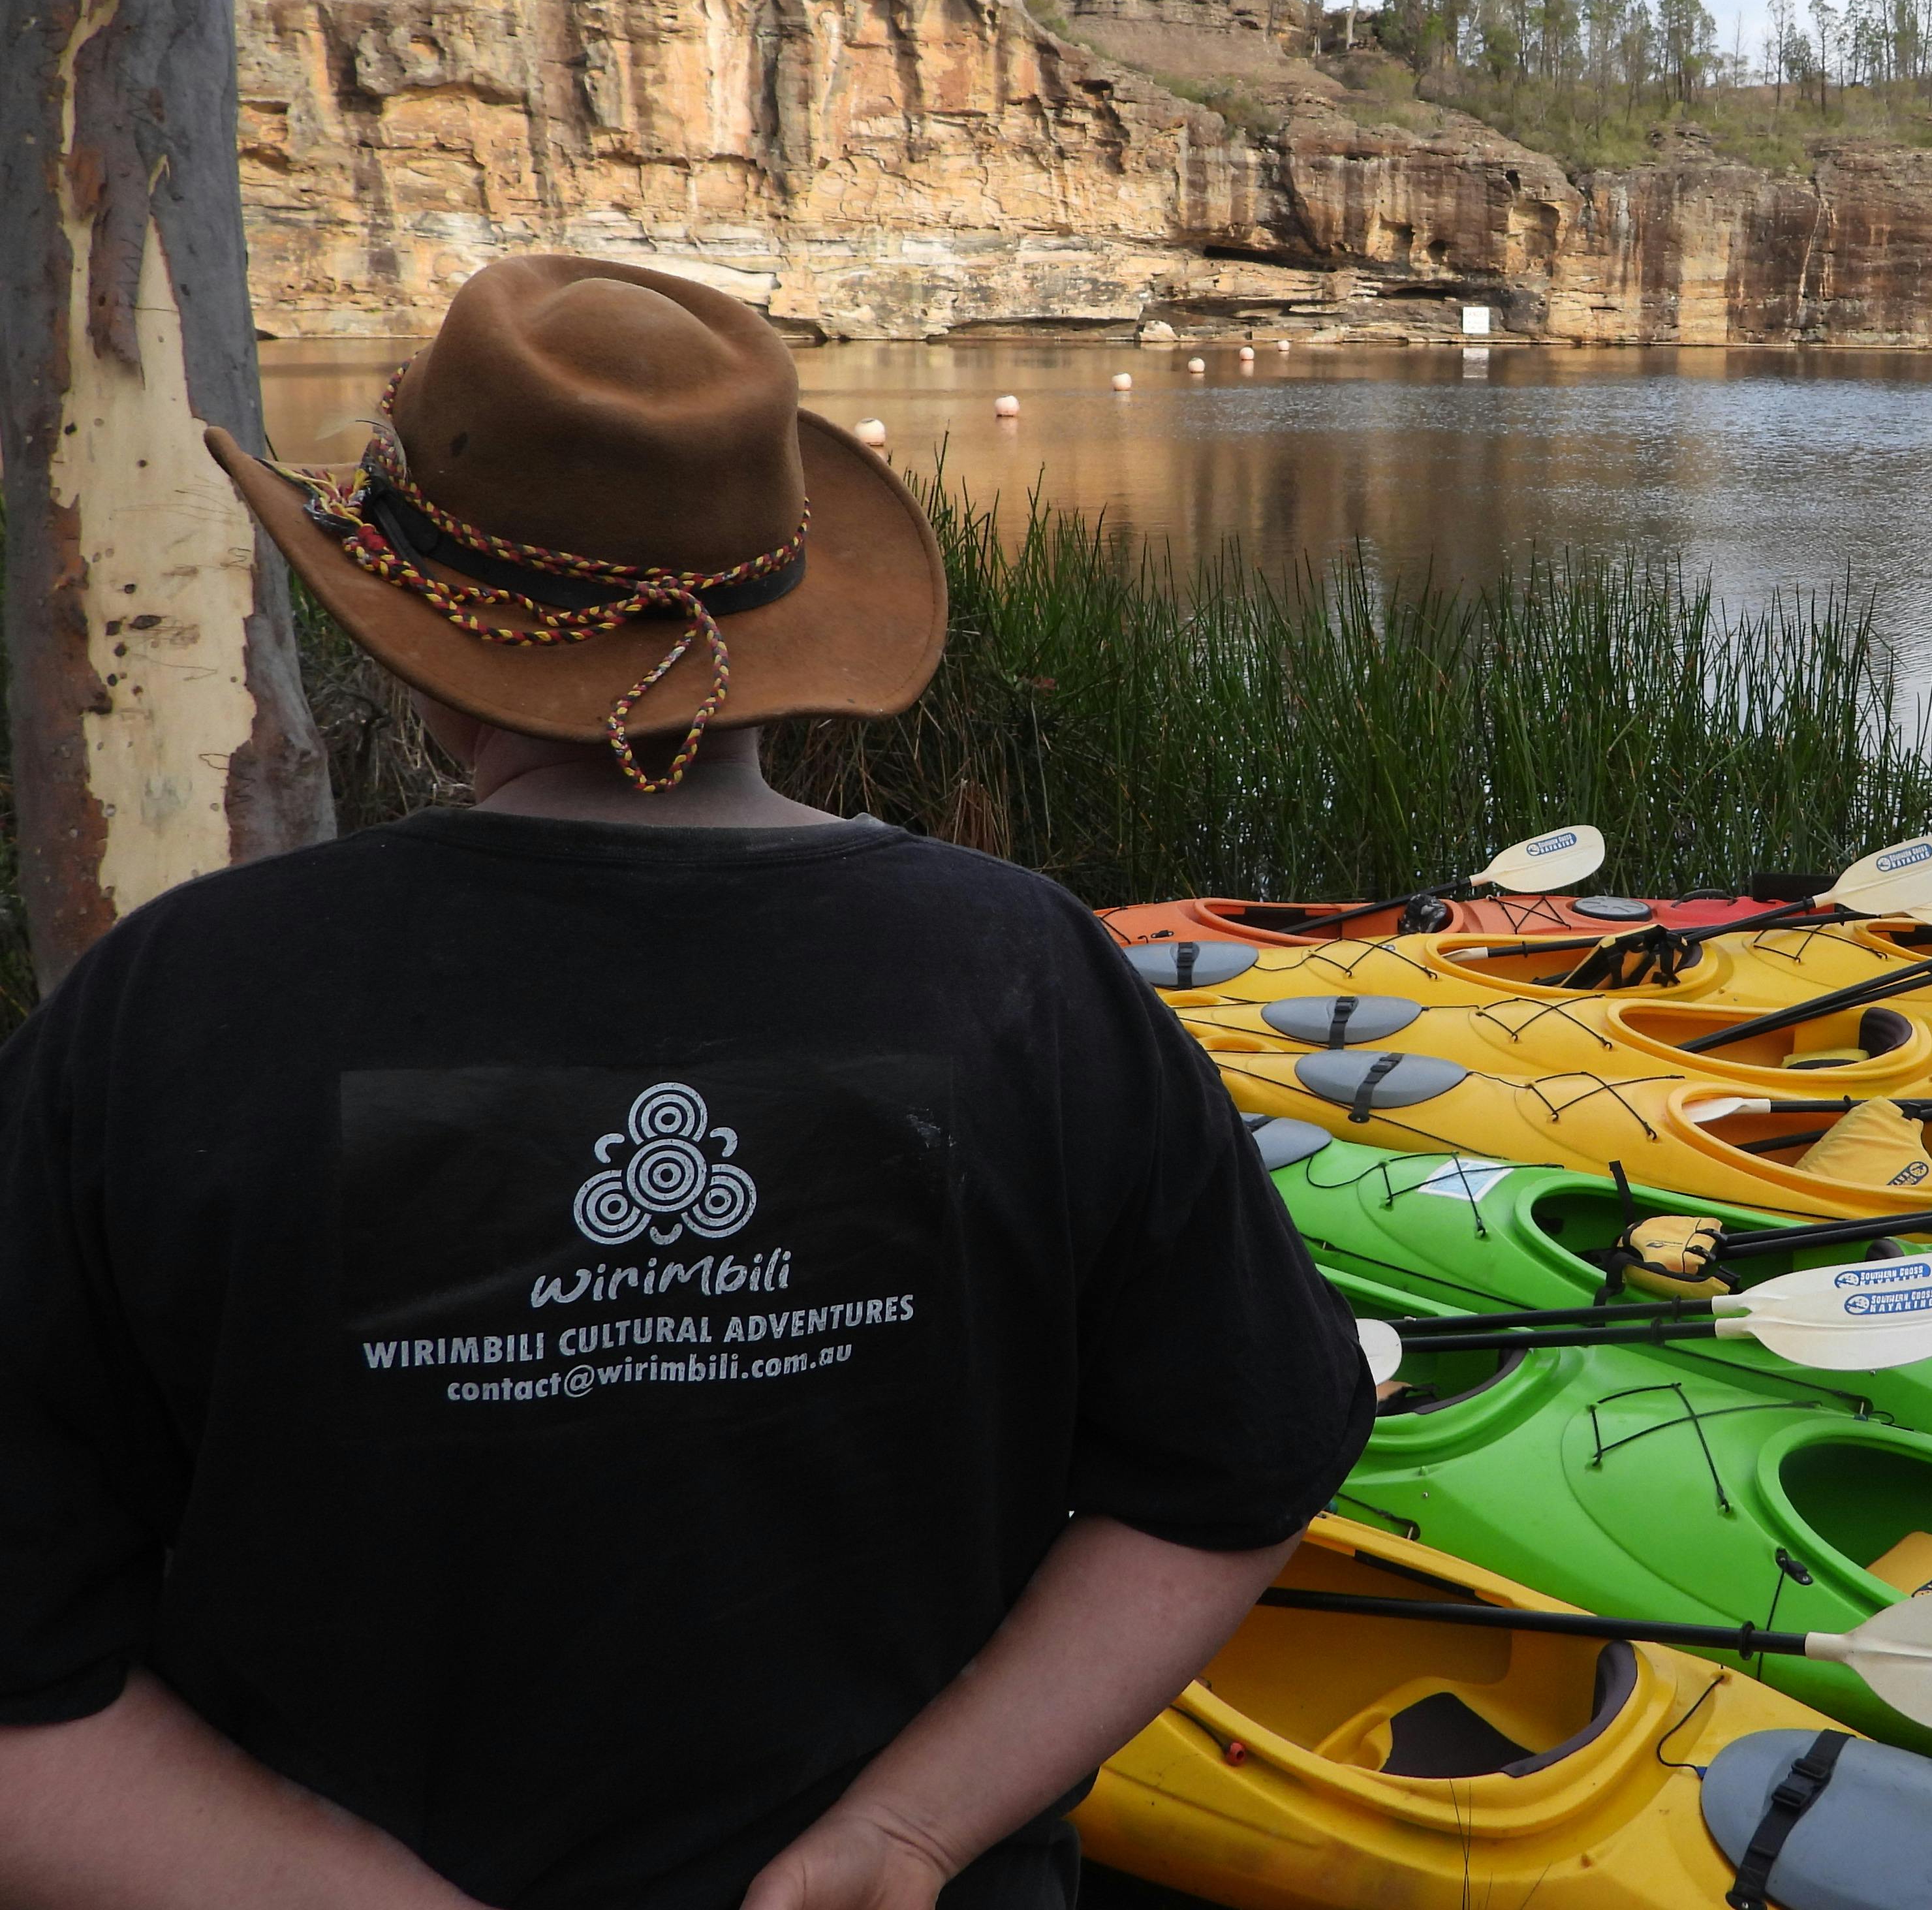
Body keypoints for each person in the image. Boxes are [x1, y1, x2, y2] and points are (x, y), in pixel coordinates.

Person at [0, 255, 1374, 1909]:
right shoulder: (1025, 975)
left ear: (423, 636)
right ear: (789, 607)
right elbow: (1244, 1465)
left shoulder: (176, 1006)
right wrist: (911, 1833)